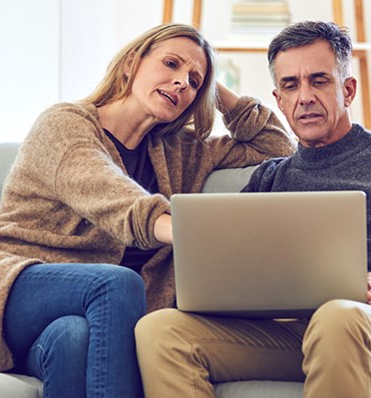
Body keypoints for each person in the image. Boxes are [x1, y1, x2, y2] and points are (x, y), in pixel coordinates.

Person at [0, 23, 294, 398]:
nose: (180, 83)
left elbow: (276, 146)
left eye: (192, 80)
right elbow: (108, 194)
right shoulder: (65, 124)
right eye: (170, 64)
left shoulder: (180, 152)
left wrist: (211, 91)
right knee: (117, 282)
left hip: (82, 318)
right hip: (9, 287)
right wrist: (183, 230)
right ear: (130, 64)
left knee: (75, 339)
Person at [135, 21, 371, 398]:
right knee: (160, 330)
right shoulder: (270, 178)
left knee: (337, 316)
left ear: (348, 89)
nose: (305, 96)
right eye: (291, 85)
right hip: (286, 333)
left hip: (356, 325)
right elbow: (229, 260)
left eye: (319, 81)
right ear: (279, 100)